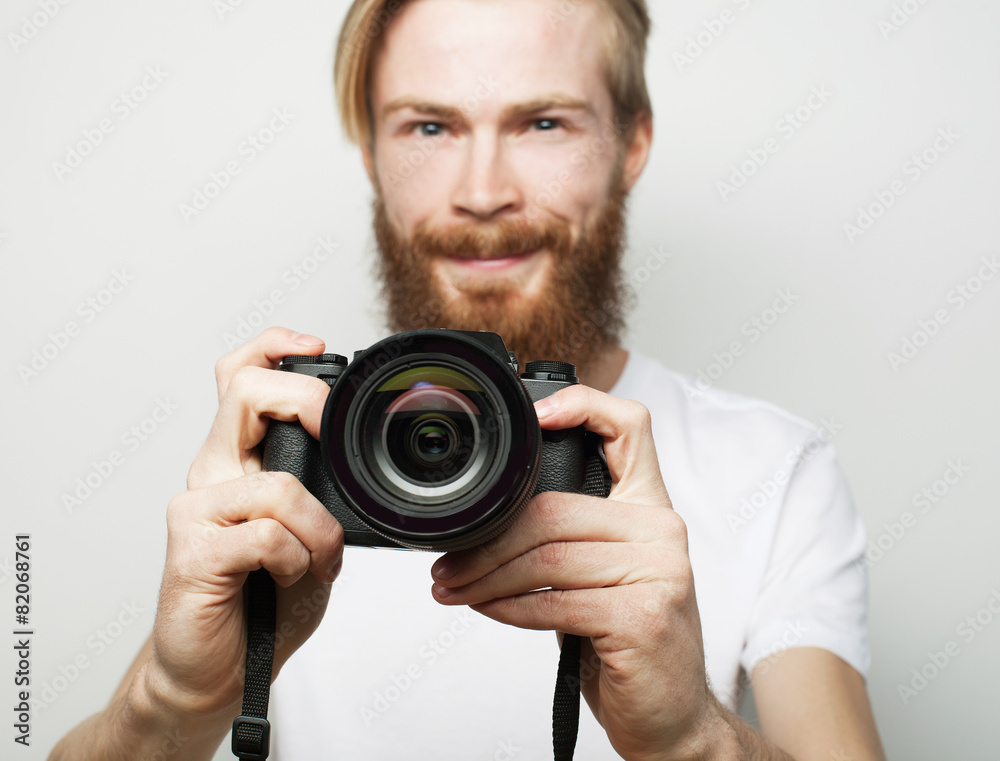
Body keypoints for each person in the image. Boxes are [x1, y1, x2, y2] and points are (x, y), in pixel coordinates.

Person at [50, 1, 887, 759]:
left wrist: (693, 737)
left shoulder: (774, 469)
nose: (483, 193)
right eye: (428, 128)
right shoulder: (282, 447)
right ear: (372, 153)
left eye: (544, 122)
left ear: (630, 144)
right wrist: (177, 697)